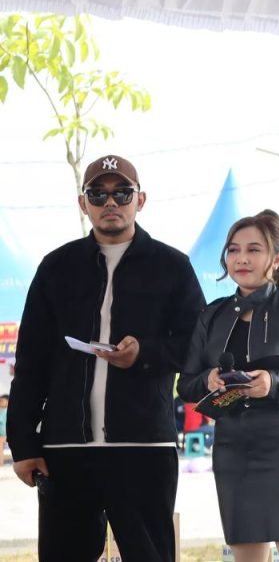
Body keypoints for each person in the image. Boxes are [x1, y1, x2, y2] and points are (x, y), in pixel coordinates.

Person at [6, 154, 206, 562]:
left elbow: (198, 346)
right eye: (98, 194)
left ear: (140, 200)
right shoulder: (56, 268)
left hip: (143, 445)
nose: (110, 202)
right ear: (84, 203)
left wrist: (144, 353)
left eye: (122, 193)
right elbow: (31, 361)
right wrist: (23, 442)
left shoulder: (172, 267)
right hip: (65, 448)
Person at [177, 210, 279, 562]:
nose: (241, 258)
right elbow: (186, 385)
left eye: (253, 249)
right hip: (233, 444)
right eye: (233, 250)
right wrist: (207, 379)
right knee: (246, 555)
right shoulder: (211, 315)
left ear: (276, 258)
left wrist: (275, 382)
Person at [0, 394, 8, 466]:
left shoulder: (7, 411)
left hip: (4, 434)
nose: (0, 402)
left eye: (2, 401)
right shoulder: (1, 411)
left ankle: (1, 463)